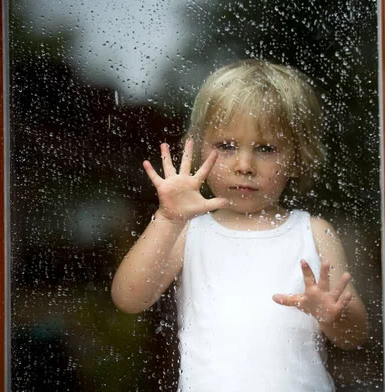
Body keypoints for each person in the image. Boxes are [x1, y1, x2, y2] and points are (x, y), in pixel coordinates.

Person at [111, 60, 368, 391]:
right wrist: (168, 219)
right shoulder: (188, 231)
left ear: (297, 157)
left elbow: (355, 336)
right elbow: (129, 299)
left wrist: (332, 315)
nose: (244, 165)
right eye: (227, 146)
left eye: (265, 149)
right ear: (198, 147)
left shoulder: (314, 232)